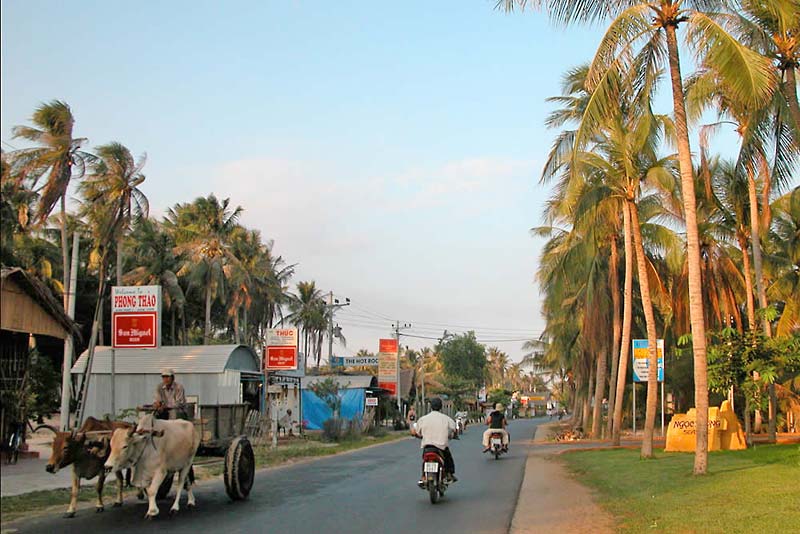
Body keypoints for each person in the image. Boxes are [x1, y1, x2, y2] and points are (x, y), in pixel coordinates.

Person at [412, 397, 457, 483]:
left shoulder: (423, 419)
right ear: (441, 407)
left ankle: (423, 477)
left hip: (428, 446)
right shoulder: (446, 419)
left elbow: (416, 432)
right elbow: (454, 428)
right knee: (448, 459)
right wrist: (452, 435)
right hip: (441, 447)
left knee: (424, 459)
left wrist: (419, 436)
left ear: (431, 407)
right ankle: (449, 474)